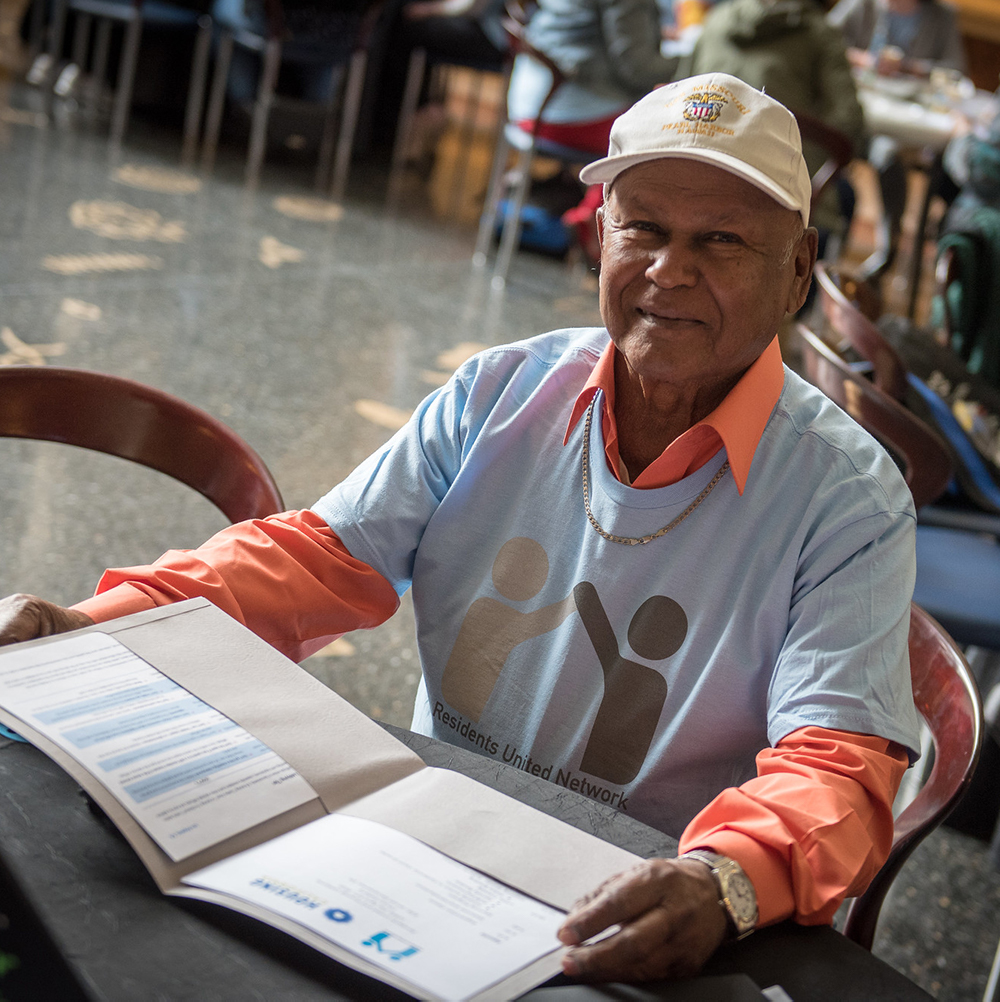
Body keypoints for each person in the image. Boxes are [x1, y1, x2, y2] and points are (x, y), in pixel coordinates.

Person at [0, 74, 920, 981]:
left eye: (722, 241)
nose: (670, 271)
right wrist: (100, 626)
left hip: (633, 894)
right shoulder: (501, 393)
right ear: (599, 238)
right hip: (427, 846)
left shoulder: (847, 499)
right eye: (644, 228)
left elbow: (835, 765)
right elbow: (317, 557)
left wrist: (722, 881)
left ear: (797, 271)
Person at [505, 0, 680, 260]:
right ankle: (598, 224)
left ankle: (591, 214)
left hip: (528, 104)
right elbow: (637, 68)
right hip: (567, 114)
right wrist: (693, 57)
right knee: (661, 127)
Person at [684, 0, 866, 246]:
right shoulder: (818, 32)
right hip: (779, 192)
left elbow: (677, 94)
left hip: (695, 179)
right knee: (845, 195)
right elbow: (849, 121)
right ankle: (810, 281)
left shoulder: (716, 20)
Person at [827, 0, 968, 277]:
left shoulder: (941, 16)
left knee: (889, 154)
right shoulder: (863, 6)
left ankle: (888, 248)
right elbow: (826, 40)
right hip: (857, 110)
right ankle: (831, 246)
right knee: (843, 152)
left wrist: (911, 68)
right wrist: (865, 60)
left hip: (907, 117)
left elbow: (956, 70)